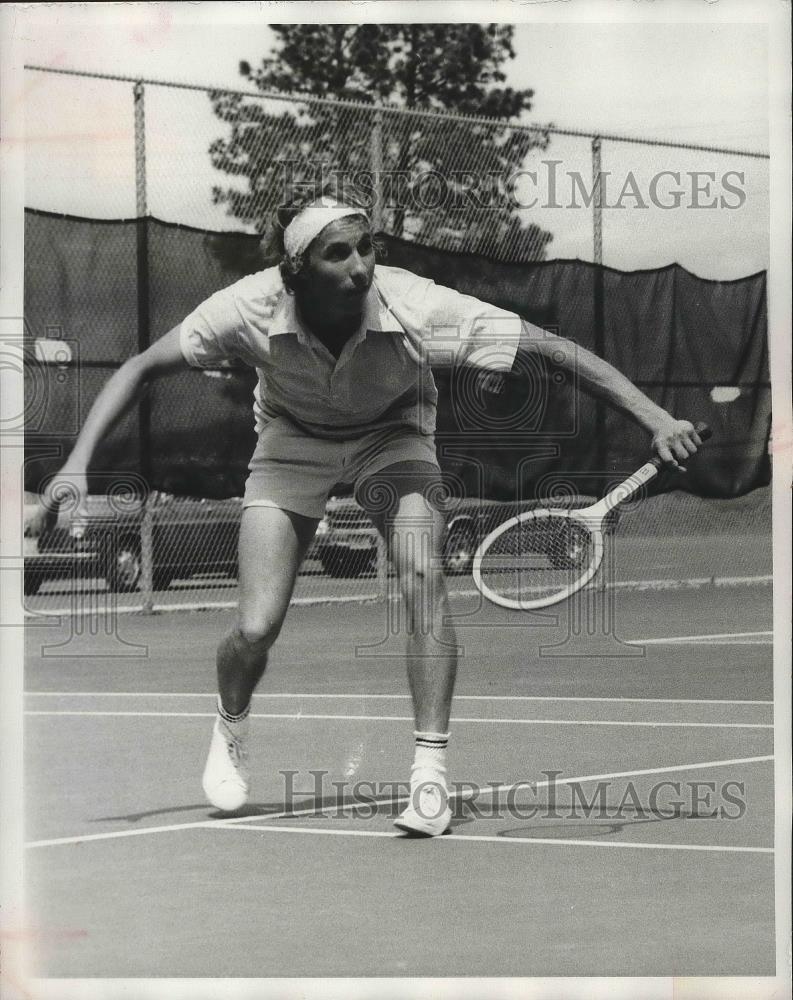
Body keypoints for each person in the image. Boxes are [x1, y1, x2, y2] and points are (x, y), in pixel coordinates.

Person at [29, 189, 703, 837]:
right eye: (338, 254)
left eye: (365, 247)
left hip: (393, 434)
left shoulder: (416, 304)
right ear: (295, 272)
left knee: (422, 572)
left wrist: (653, 416)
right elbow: (142, 366)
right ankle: (230, 725)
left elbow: (550, 347)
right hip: (291, 440)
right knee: (256, 627)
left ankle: (429, 777)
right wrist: (75, 467)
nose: (360, 266)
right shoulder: (246, 307)